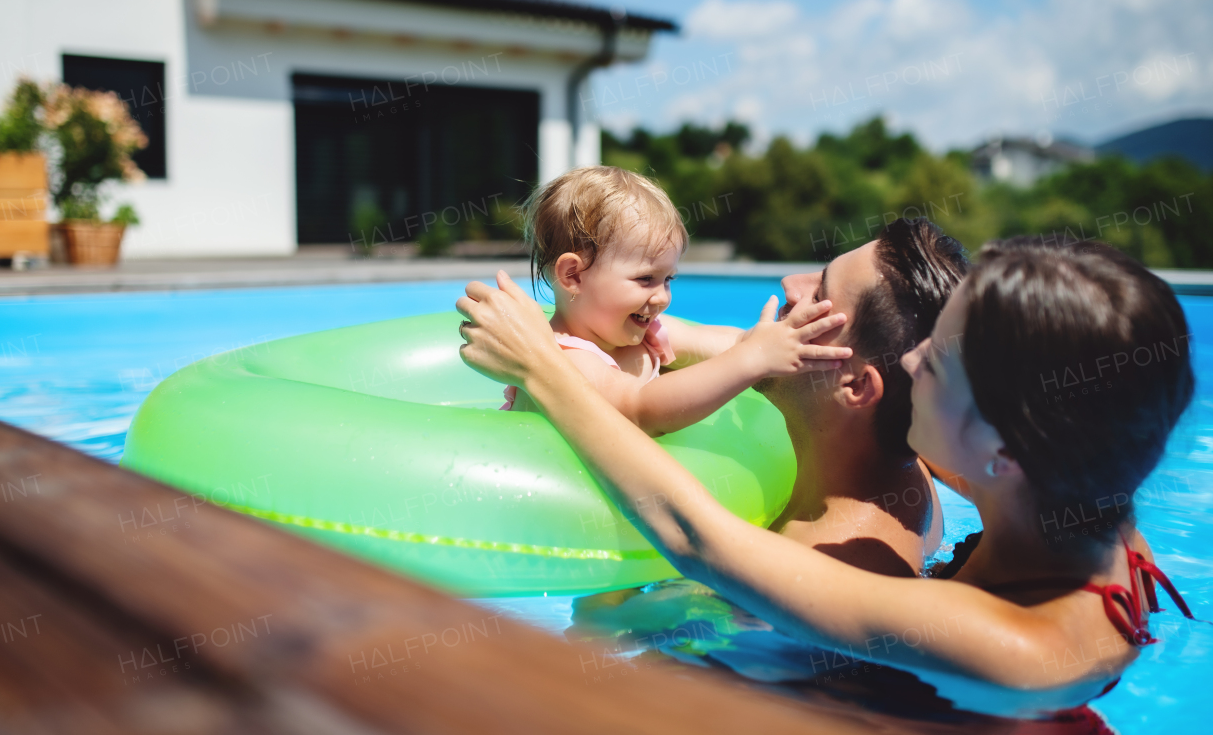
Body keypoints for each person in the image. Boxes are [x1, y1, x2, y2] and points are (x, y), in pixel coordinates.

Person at [457, 237, 1198, 717]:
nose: (913, 365)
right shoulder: (1071, 477)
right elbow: (793, 363)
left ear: (998, 445)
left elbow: (695, 537)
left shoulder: (1018, 652)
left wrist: (543, 370)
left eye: (935, 364)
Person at [659, 218, 969, 576]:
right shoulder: (907, 458)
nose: (790, 284)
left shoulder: (816, 568)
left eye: (819, 296)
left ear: (855, 387)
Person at [501, 165, 852, 437]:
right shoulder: (566, 361)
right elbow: (640, 409)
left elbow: (725, 342)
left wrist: (781, 339)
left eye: (668, 279)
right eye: (645, 279)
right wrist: (753, 359)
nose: (663, 297)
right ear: (573, 276)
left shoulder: (647, 332)